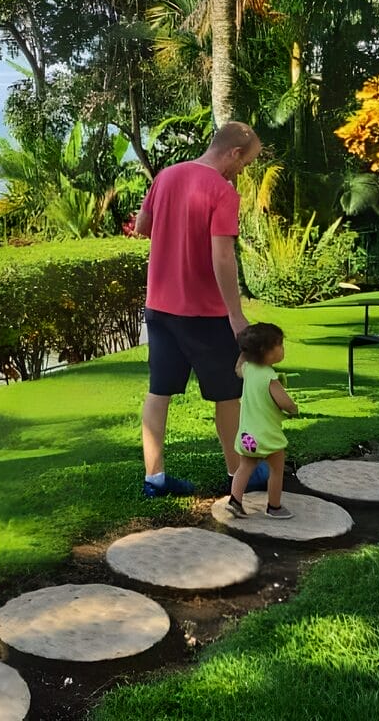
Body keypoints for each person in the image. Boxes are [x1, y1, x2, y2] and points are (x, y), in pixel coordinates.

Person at [134, 121, 263, 499]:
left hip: (160, 309)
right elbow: (223, 256)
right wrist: (236, 315)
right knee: (228, 395)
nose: (243, 171)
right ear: (234, 153)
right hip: (205, 315)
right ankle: (238, 473)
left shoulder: (166, 176)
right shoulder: (222, 192)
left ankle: (154, 480)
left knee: (159, 393)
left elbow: (144, 226)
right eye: (246, 163)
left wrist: (174, 236)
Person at [227, 322, 298, 518]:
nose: (283, 349)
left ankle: (235, 500)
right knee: (276, 469)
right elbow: (285, 403)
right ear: (265, 351)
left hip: (248, 435)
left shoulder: (248, 369)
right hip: (267, 436)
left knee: (245, 467)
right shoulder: (269, 377)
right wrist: (293, 409)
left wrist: (246, 351)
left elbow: (238, 367)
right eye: (280, 345)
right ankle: (274, 507)